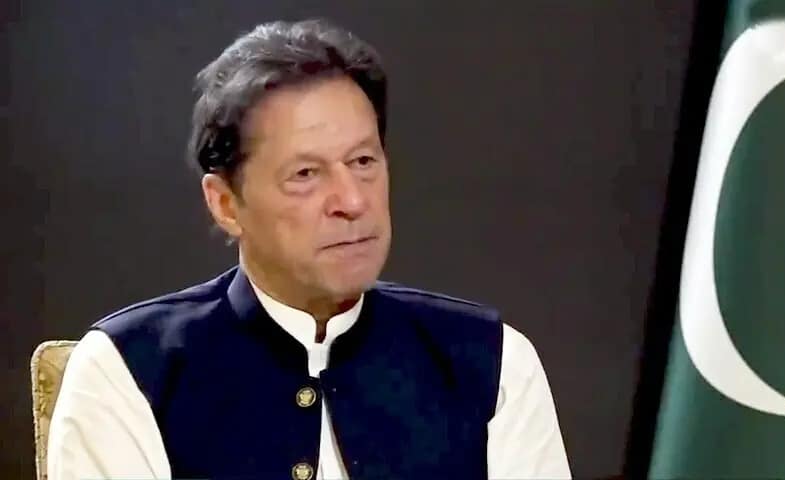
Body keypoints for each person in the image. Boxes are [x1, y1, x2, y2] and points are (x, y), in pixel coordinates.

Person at [47, 18, 571, 480]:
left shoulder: (492, 362)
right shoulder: (129, 371)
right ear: (226, 204)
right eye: (305, 174)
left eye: (363, 162)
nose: (352, 201)